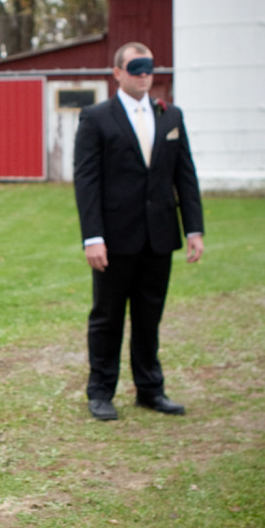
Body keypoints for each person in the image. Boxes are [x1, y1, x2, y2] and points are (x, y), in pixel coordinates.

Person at [72, 41, 204, 422]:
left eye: (149, 67)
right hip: (114, 239)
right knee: (107, 317)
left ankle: (150, 389)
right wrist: (92, 237)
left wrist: (193, 228)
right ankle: (100, 392)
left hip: (159, 235)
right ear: (117, 73)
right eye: (136, 67)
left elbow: (186, 176)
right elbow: (87, 181)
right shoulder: (96, 118)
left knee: (150, 316)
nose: (145, 73)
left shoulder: (171, 115)